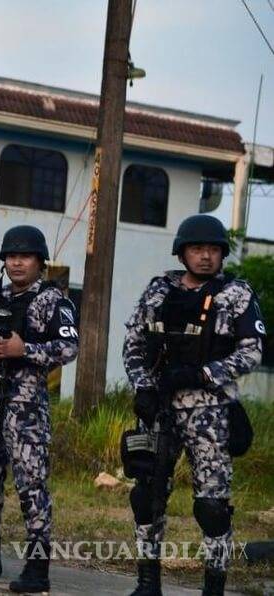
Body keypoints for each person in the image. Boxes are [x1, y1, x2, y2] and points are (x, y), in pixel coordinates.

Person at [122, 214, 265, 596]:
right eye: (198, 249)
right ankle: (147, 582)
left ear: (222, 255)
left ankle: (213, 587)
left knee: (212, 507)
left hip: (212, 412)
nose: (205, 257)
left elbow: (252, 352)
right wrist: (143, 388)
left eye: (213, 250)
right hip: (160, 410)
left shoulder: (236, 294)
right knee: (147, 496)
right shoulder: (158, 290)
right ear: (183, 252)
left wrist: (202, 374)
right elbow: (134, 344)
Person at [0, 225, 80, 593]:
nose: (17, 262)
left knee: (30, 484)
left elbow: (69, 348)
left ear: (40, 262)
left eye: (25, 256)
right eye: (11, 256)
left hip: (25, 406)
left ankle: (37, 568)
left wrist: (26, 351)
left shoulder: (54, 301)